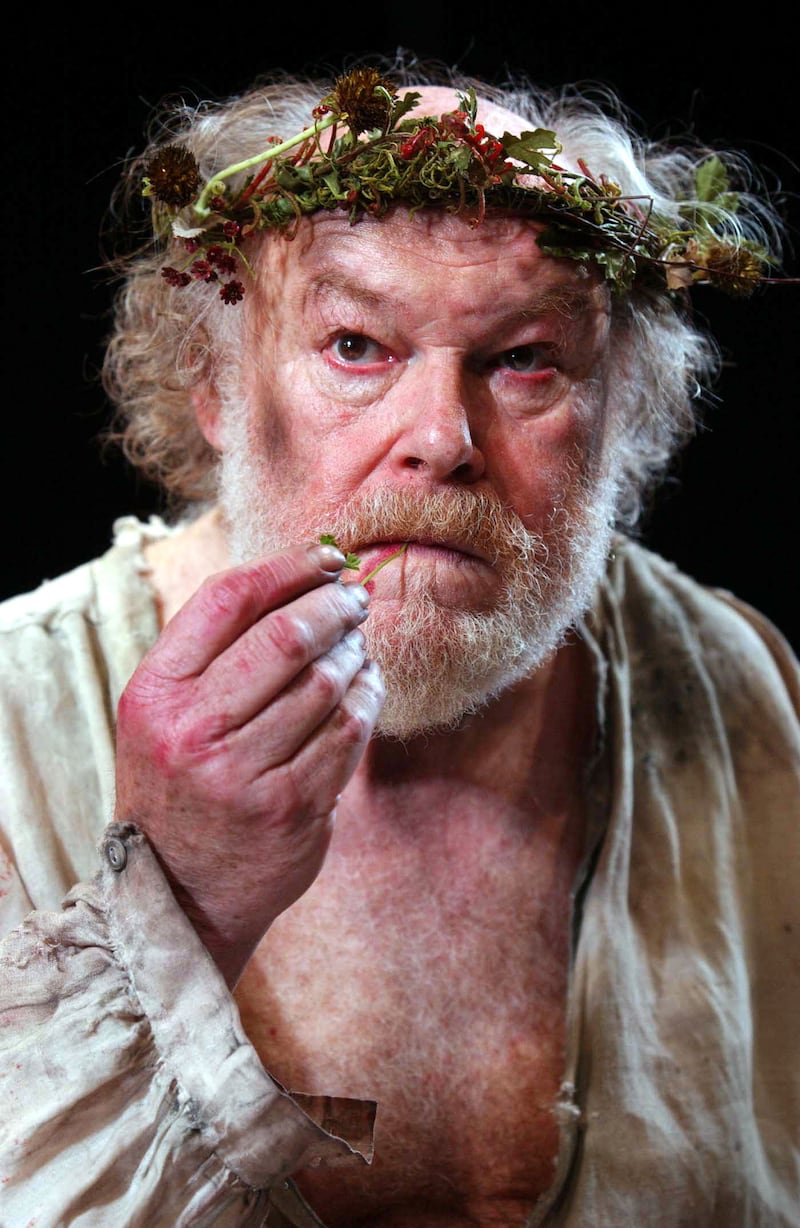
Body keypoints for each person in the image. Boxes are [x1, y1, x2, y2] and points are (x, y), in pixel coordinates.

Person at [0, 64, 798, 1228]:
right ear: (216, 382)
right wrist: (175, 903)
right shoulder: (14, 720)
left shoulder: (749, 699)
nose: (438, 439)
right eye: (357, 345)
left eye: (524, 358)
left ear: (619, 405)